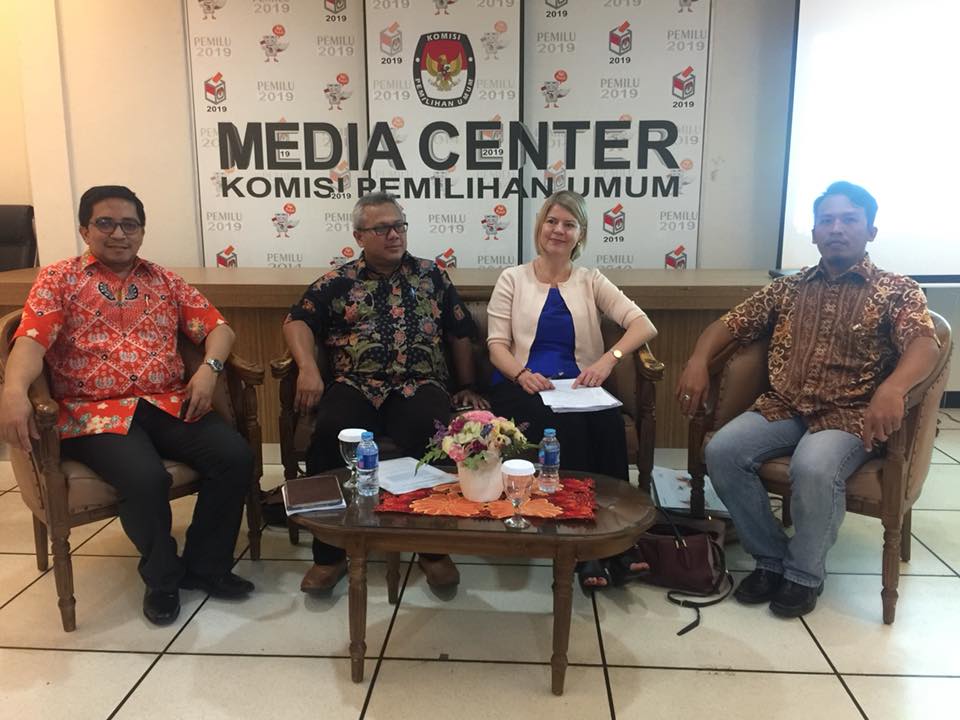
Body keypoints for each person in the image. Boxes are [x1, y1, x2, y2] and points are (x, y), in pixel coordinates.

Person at [677, 181, 941, 618]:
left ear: (870, 230)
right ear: (815, 233)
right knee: (721, 450)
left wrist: (892, 388)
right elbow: (730, 324)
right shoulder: (790, 287)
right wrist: (698, 360)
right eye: (827, 221)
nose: (837, 228)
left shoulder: (898, 289)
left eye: (849, 220)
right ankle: (770, 557)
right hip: (785, 405)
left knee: (813, 467)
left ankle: (803, 575)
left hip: (851, 414)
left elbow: (924, 344)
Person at [0, 185, 255, 626]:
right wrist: (12, 391)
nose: (119, 233)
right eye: (106, 223)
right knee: (144, 478)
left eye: (130, 224)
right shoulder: (59, 279)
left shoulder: (163, 279)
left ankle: (207, 566)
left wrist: (209, 368)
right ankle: (163, 578)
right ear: (85, 228)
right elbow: (30, 341)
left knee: (237, 457)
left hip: (167, 402)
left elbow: (220, 328)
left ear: (141, 231)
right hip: (93, 412)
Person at [283, 192, 487, 594]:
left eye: (400, 225)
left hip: (418, 384)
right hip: (355, 383)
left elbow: (460, 331)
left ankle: (432, 549)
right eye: (382, 228)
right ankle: (329, 554)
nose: (394, 234)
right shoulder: (338, 282)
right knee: (330, 436)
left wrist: (467, 386)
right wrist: (308, 368)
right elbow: (297, 321)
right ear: (360, 236)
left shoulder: (432, 276)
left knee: (432, 436)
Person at [485, 190, 658, 591]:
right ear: (539, 227)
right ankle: (581, 546)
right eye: (552, 221)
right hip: (523, 386)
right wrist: (521, 374)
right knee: (563, 427)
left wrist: (608, 359)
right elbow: (495, 346)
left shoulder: (590, 280)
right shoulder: (512, 278)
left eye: (568, 224)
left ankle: (619, 539)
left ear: (580, 235)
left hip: (579, 385)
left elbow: (642, 324)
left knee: (608, 423)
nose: (558, 230)